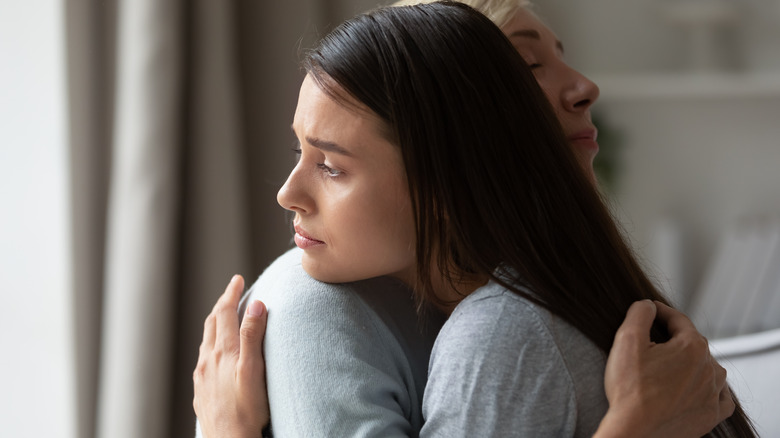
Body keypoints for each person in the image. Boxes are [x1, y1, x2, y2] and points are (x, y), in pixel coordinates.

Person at [193, 1, 751, 437]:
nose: (287, 195)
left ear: (447, 171)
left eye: (332, 167)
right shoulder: (542, 298)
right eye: (300, 154)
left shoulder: (500, 336)